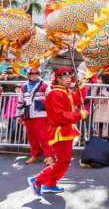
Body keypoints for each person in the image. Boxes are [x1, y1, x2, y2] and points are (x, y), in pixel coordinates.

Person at [27, 67, 88, 196]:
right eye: (64, 77)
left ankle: (50, 184)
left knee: (64, 161)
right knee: (63, 161)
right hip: (60, 132)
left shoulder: (66, 91)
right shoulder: (55, 93)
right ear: (58, 79)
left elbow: (78, 100)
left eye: (69, 77)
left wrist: (81, 86)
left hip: (66, 131)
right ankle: (38, 180)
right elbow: (60, 116)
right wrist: (79, 115)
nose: (68, 79)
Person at [16, 68, 53, 166]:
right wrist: (19, 115)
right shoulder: (24, 86)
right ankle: (35, 155)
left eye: (36, 73)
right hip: (27, 113)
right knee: (31, 136)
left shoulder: (45, 85)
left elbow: (50, 99)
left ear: (39, 73)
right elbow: (20, 101)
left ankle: (49, 156)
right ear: (28, 74)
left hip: (40, 113)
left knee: (43, 136)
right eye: (31, 73)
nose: (34, 75)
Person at [92, 73, 109, 138]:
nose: (98, 80)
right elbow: (94, 94)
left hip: (108, 106)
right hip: (100, 106)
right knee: (100, 122)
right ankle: (99, 137)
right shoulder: (98, 86)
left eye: (100, 79)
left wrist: (103, 92)